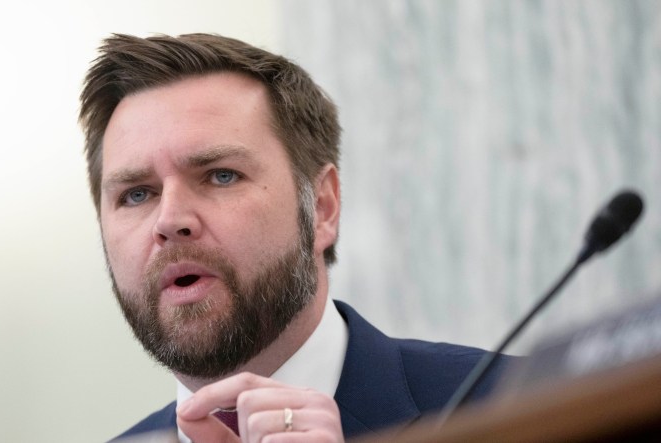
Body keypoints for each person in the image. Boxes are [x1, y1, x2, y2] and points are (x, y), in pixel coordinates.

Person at [79, 33, 511, 443]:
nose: (170, 220)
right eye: (137, 194)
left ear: (322, 207)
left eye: (221, 176)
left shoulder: (515, 405)